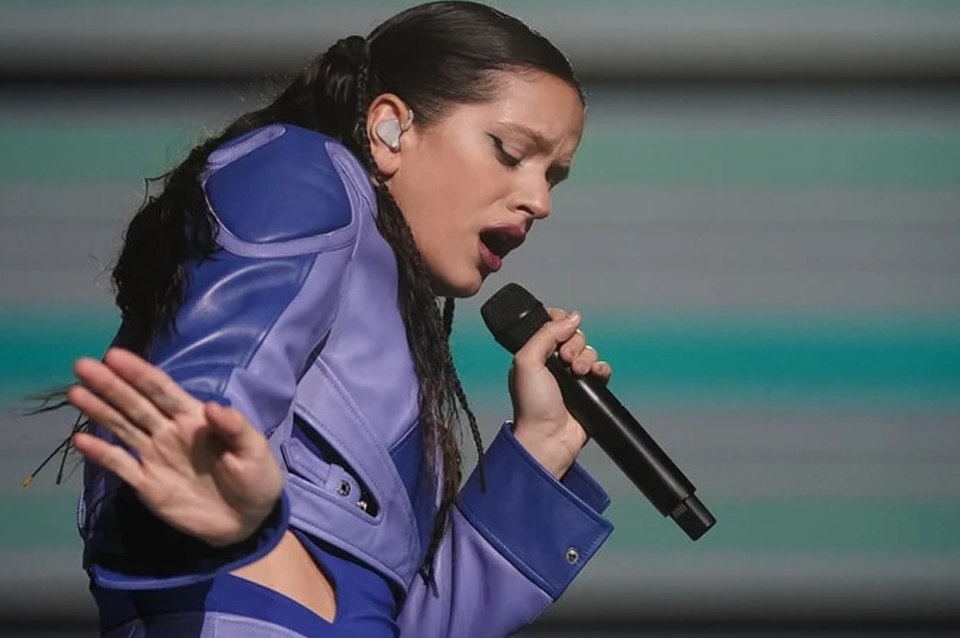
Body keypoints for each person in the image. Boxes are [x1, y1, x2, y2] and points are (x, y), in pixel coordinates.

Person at [58, 2, 617, 636]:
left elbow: (416, 624)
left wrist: (544, 445)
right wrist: (210, 472)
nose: (539, 201)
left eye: (553, 177)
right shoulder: (302, 174)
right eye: (511, 152)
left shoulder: (389, 334)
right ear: (389, 128)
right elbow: (205, 395)